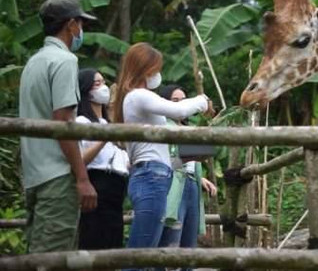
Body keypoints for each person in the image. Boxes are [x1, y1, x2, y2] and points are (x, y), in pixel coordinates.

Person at [111, 43, 210, 259]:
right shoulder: (138, 95)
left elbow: (153, 153)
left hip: (154, 175)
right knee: (141, 253)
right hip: (151, 178)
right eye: (155, 69)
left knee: (150, 253)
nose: (157, 74)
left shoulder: (134, 99)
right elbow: (179, 109)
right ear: (145, 69)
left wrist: (184, 160)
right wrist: (202, 101)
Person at [19, 0, 98, 253]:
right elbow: (63, 122)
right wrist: (82, 178)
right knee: (53, 259)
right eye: (81, 25)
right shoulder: (64, 61)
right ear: (71, 25)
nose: (81, 31)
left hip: (34, 174)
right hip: (57, 175)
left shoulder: (35, 61)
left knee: (38, 256)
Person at [158, 85, 217, 254]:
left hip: (192, 183)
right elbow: (166, 160)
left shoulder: (188, 128)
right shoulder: (163, 125)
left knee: (189, 241)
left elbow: (193, 159)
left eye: (184, 100)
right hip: (173, 185)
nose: (180, 104)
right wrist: (191, 156)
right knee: (172, 240)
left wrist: (201, 178)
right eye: (175, 101)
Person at [76, 68, 130, 250]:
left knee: (113, 242)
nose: (104, 88)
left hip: (118, 186)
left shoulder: (109, 123)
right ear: (86, 91)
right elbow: (81, 159)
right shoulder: (82, 122)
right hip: (98, 183)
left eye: (104, 82)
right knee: (94, 238)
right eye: (97, 84)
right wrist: (105, 137)